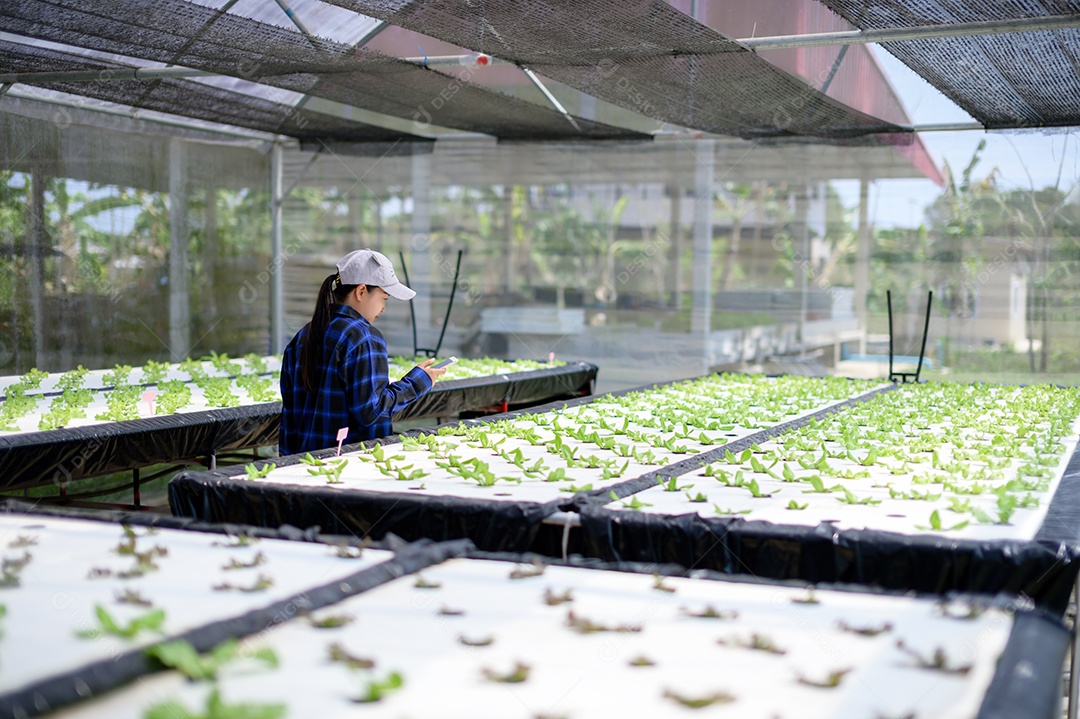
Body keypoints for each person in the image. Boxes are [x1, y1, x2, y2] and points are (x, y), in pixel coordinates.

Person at [279, 249, 447, 455]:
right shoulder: (364, 337)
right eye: (384, 298)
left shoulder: (302, 336)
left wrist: (286, 465)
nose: (384, 308)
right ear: (361, 292)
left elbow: (289, 415)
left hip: (305, 466)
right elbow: (372, 412)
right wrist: (419, 381)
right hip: (350, 465)